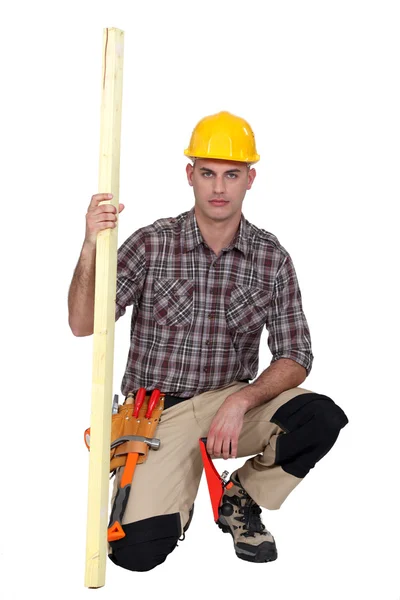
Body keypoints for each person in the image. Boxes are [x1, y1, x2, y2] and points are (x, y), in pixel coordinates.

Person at [68, 110, 348, 571]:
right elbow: (83, 323)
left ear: (250, 179)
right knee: (135, 553)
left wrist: (241, 403)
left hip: (231, 406)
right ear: (190, 175)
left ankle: (241, 496)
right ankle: (178, 487)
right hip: (157, 414)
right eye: (208, 174)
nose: (219, 188)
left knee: (319, 416)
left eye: (231, 175)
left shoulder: (271, 257)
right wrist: (89, 245)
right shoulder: (152, 243)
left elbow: (296, 355)